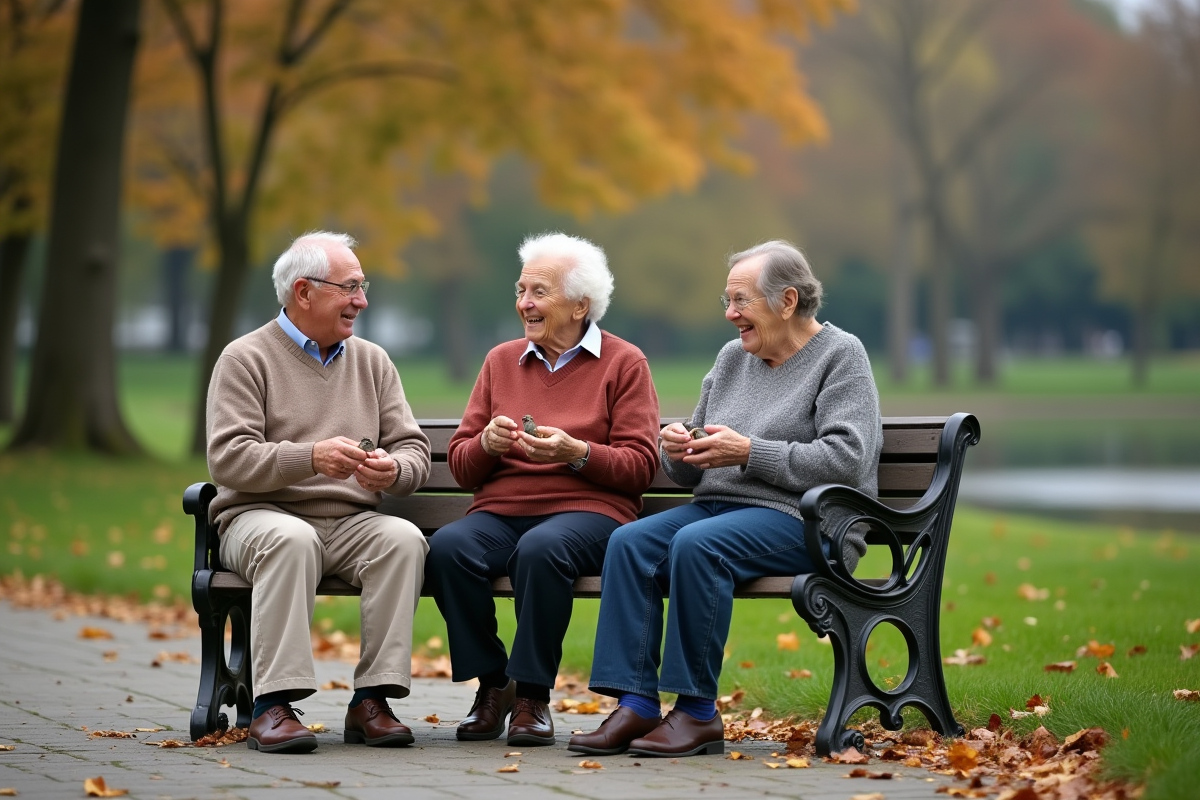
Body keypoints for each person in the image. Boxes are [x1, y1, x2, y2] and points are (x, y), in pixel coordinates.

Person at [569, 239, 883, 758]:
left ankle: (696, 713)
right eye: (727, 300)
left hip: (807, 520)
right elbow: (692, 466)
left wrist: (749, 452)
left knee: (698, 545)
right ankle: (637, 704)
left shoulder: (841, 355)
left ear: (786, 301)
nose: (729, 314)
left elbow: (847, 459)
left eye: (741, 301)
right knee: (629, 542)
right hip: (717, 509)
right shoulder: (733, 358)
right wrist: (679, 447)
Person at [425, 232, 660, 747]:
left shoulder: (624, 363)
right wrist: (486, 443)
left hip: (592, 512)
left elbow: (641, 466)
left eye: (539, 292)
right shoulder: (500, 361)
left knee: (542, 548)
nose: (525, 304)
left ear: (581, 305)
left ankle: (532, 695)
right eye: (521, 290)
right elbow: (465, 469)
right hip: (503, 509)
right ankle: (494, 685)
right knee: (446, 549)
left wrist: (576, 453)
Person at [206, 231, 431, 754]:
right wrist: (309, 457)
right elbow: (229, 458)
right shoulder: (246, 358)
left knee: (401, 539)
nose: (362, 300)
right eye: (350, 287)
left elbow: (414, 450)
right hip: (261, 516)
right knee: (291, 539)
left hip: (352, 523)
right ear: (303, 292)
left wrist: (392, 470)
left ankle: (372, 700)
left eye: (363, 285)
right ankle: (273, 706)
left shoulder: (373, 361)